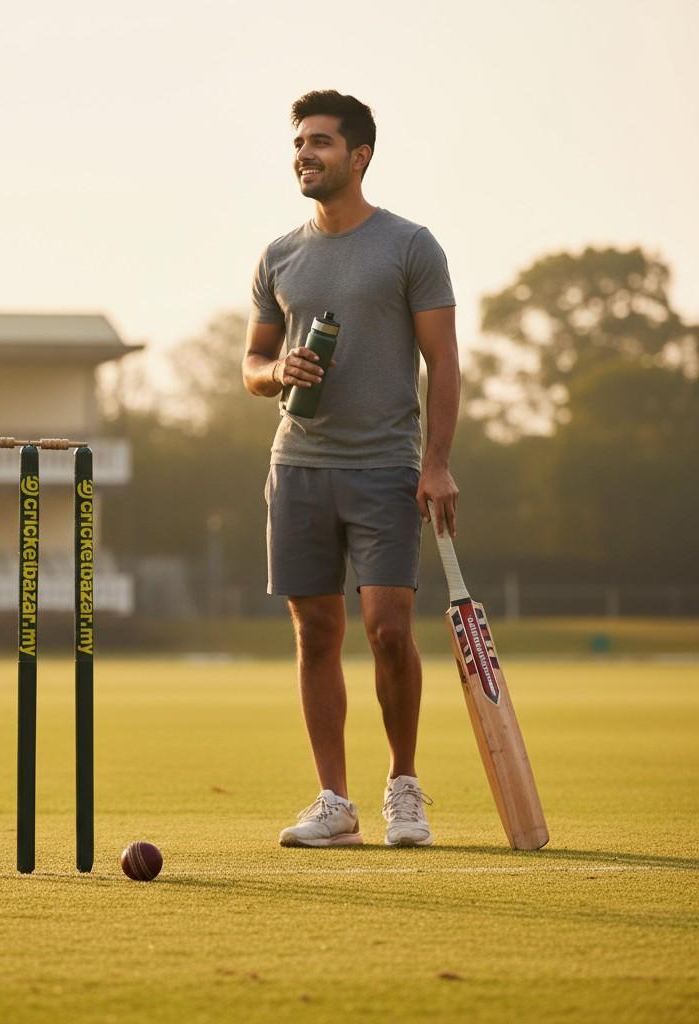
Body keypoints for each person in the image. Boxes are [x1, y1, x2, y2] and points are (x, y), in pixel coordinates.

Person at [242, 90, 460, 848]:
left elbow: (445, 364)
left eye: (321, 143)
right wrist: (278, 374)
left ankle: (403, 786)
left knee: (390, 629)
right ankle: (333, 803)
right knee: (315, 634)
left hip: (384, 468)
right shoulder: (279, 255)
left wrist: (436, 464)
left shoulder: (410, 246)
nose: (305, 154)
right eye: (299, 143)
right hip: (298, 465)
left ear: (359, 155)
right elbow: (250, 364)